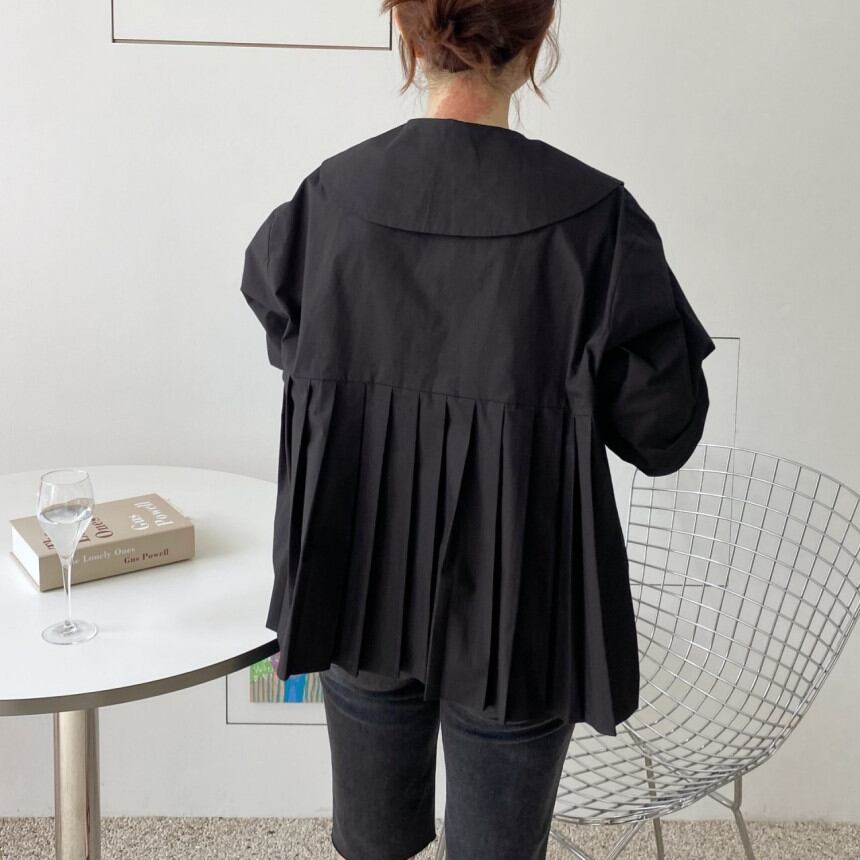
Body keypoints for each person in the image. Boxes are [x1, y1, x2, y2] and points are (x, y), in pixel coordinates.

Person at [239, 1, 717, 857]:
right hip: (521, 606)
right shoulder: (596, 220)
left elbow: (288, 339)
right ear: (534, 47)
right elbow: (663, 432)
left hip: (359, 574)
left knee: (373, 845)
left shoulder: (327, 201)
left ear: (408, 37)